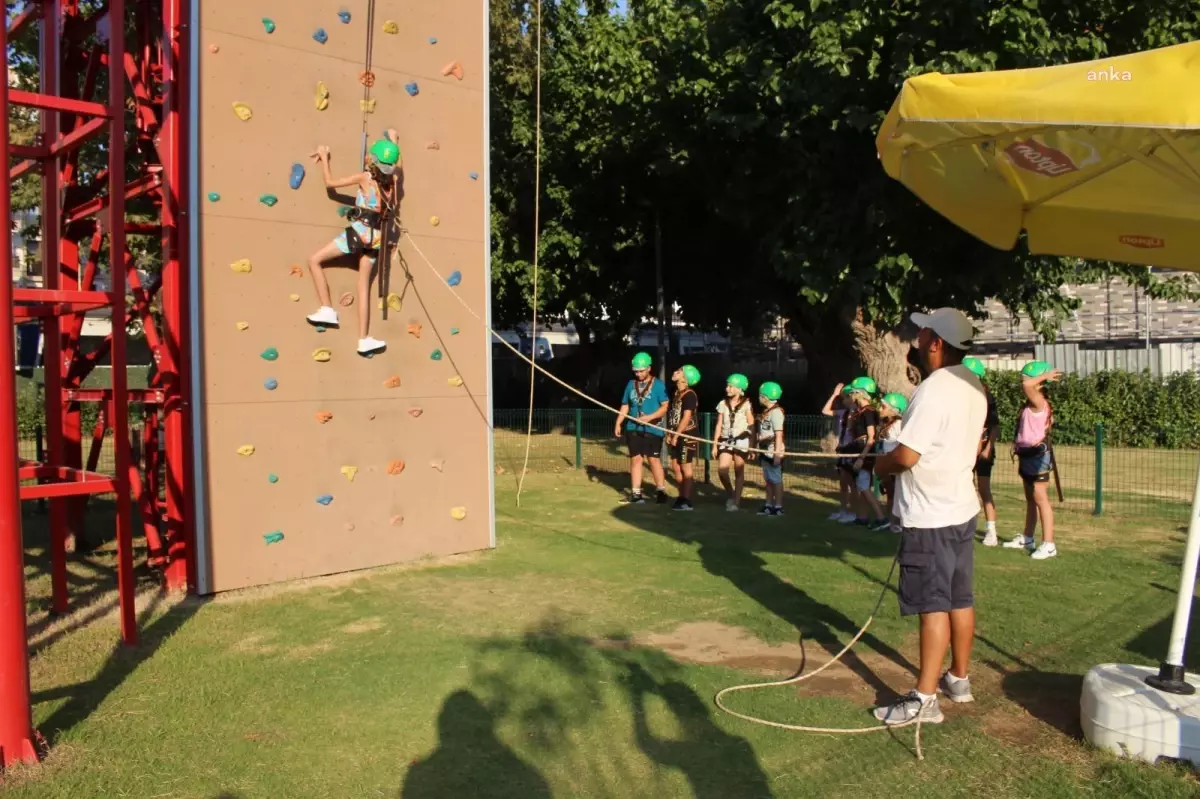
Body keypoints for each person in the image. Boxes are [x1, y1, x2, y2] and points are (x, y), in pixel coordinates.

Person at [874, 307, 987, 726]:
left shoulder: (934, 389)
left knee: (932, 606)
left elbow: (906, 455)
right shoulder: (973, 384)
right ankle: (958, 678)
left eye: (922, 333)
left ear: (936, 343)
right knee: (960, 597)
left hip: (931, 516)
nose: (916, 338)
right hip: (959, 509)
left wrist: (879, 466)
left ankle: (924, 699)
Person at [305, 132, 401, 356]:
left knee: (314, 260)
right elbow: (397, 168)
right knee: (363, 286)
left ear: (373, 161)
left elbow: (331, 185)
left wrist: (324, 157)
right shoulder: (392, 184)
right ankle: (363, 339)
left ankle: (327, 308)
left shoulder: (365, 178)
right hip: (376, 239)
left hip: (359, 233)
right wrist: (395, 141)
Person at [1003, 361, 1062, 560]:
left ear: (1039, 383)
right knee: (1031, 499)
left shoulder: (1039, 401)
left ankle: (1049, 544)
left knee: (1040, 499)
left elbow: (1027, 386)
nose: (1024, 383)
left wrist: (1042, 377)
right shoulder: (1030, 404)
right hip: (1027, 456)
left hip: (1038, 458)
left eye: (1028, 378)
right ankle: (1028, 538)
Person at [614, 352, 670, 504]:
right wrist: (619, 422)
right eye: (636, 371)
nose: (638, 374)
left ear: (649, 369)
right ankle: (636, 493)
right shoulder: (630, 385)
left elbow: (665, 407)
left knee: (653, 460)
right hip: (633, 427)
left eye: (641, 371)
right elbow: (625, 405)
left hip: (653, 429)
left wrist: (649, 418)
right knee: (636, 459)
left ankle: (660, 490)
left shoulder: (658, 385)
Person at [964, 357, 1001, 546]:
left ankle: (991, 531)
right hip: (965, 449)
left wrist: (988, 447)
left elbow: (995, 427)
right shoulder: (961, 397)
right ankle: (965, 527)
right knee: (964, 488)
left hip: (983, 449)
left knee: (984, 489)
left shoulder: (987, 397)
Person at [843, 377, 889, 530]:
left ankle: (881, 517)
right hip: (858, 448)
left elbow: (870, 437)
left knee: (863, 486)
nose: (850, 396)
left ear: (860, 393)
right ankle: (862, 517)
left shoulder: (869, 411)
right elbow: (850, 429)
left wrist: (862, 458)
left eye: (853, 393)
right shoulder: (859, 412)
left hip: (865, 451)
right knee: (860, 485)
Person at [712, 374, 755, 511]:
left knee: (739, 470)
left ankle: (736, 502)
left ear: (739, 388)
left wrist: (752, 446)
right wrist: (715, 444)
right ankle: (732, 494)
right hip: (725, 439)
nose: (727, 388)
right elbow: (719, 424)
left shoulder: (746, 404)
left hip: (741, 440)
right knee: (722, 470)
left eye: (730, 386)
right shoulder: (723, 403)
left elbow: (751, 425)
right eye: (727, 385)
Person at [666, 365, 702, 511]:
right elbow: (674, 415)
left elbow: (686, 417)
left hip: (686, 435)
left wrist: (676, 435)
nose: (675, 372)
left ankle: (685, 500)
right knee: (675, 466)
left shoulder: (690, 395)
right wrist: (670, 432)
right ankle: (682, 495)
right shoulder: (677, 393)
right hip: (676, 434)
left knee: (685, 466)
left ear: (686, 379)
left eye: (680, 371)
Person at [822, 384, 856, 522]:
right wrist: (834, 394)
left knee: (852, 483)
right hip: (842, 449)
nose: (843, 400)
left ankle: (853, 512)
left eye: (845, 397)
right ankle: (843, 509)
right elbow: (825, 411)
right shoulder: (842, 412)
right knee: (843, 482)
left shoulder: (858, 414)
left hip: (852, 450)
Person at [876, 392, 907, 532]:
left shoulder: (899, 425)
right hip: (887, 465)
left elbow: (902, 445)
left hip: (895, 465)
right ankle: (891, 521)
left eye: (883, 407)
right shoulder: (887, 424)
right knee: (890, 494)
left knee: (897, 495)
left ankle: (900, 523)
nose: (880, 409)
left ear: (894, 410)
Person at [756, 382, 786, 517]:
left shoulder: (776, 412)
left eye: (761, 395)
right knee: (768, 480)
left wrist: (777, 454)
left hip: (773, 451)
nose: (759, 397)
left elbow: (778, 434)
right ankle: (768, 504)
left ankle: (778, 506)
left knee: (776, 480)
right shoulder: (766, 412)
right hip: (765, 451)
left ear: (766, 396)